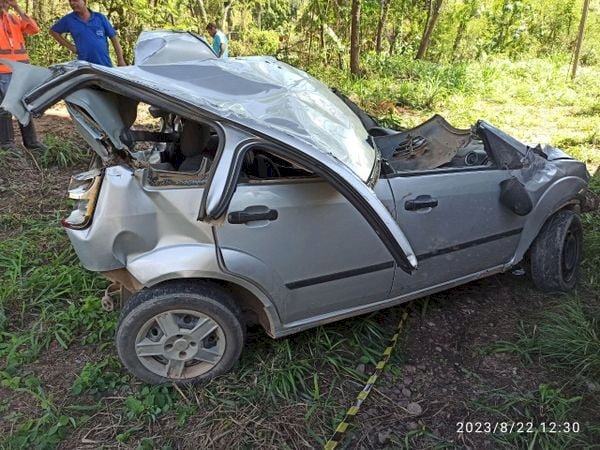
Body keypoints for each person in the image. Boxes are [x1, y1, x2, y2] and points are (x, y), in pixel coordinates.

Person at [0, 0, 44, 150]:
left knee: (23, 107)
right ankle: (7, 145)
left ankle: (31, 142)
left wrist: (18, 8)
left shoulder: (13, 18)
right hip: (2, 72)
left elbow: (34, 29)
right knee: (4, 109)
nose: (4, 3)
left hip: (20, 71)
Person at [49, 0, 125, 67]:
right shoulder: (69, 20)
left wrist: (120, 60)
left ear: (84, 1)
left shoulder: (100, 18)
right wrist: (71, 47)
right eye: (70, 1)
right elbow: (53, 31)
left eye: (75, 0)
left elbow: (114, 39)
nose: (72, 3)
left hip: (104, 65)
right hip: (84, 68)